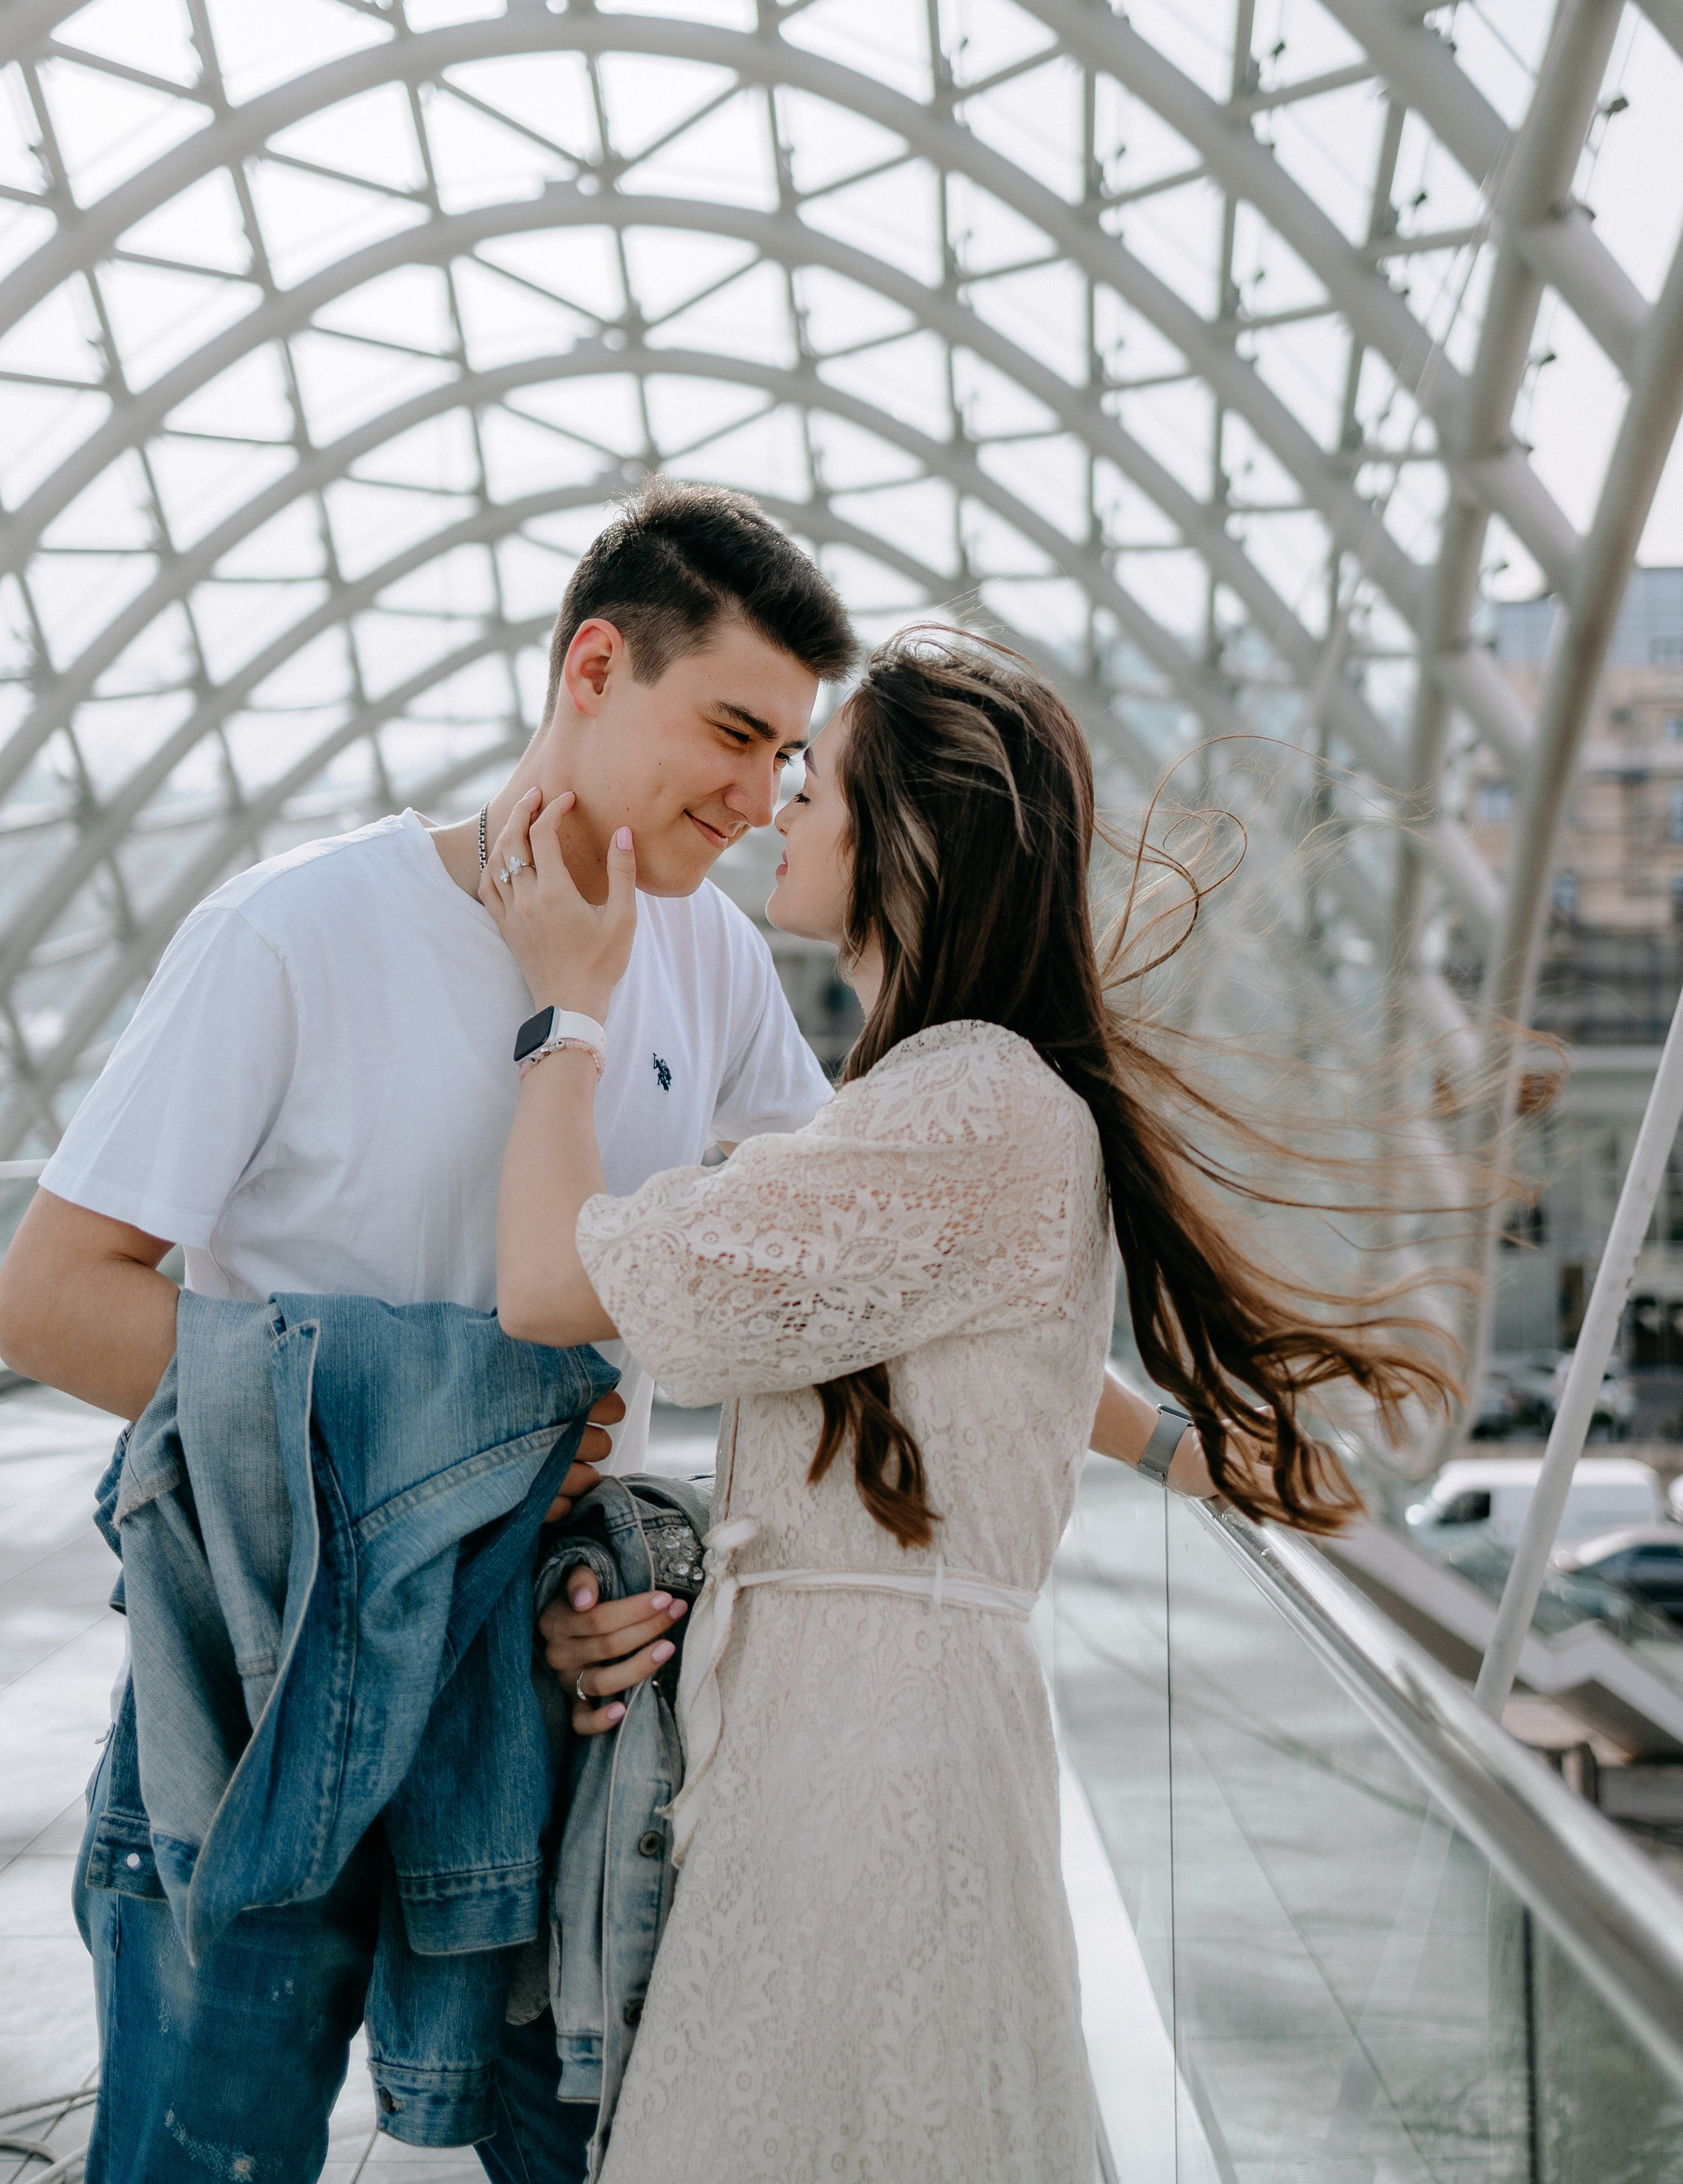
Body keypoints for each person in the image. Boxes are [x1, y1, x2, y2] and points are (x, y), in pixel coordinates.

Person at [482, 629, 1454, 2183]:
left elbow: (545, 1282)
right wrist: (1188, 1454)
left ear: (908, 839)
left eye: (814, 780)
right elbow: (999, 1363)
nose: (778, 809)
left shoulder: (963, 1104)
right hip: (869, 1744)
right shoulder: (965, 1099)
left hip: (863, 1772)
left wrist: (567, 1009)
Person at [0, 477, 856, 2184]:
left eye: (789, 763)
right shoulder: (292, 931)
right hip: (253, 1687)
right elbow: (48, 1291)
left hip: (539, 1702)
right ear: (594, 667)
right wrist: (467, 1442)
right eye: (737, 734)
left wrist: (666, 1565)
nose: (763, 802)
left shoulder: (712, 971)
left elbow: (833, 1274)